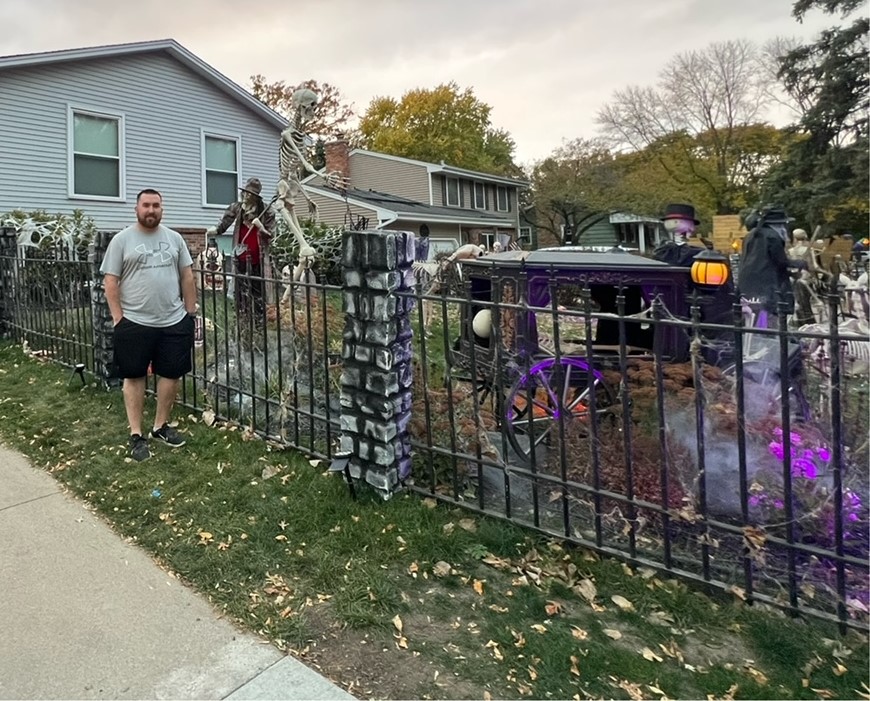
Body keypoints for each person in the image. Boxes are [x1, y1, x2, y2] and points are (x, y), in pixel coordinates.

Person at [101, 188, 197, 462]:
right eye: (146, 205)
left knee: (170, 374)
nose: (151, 210)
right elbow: (111, 282)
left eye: (156, 205)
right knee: (134, 376)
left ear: (162, 209)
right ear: (137, 209)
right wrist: (119, 318)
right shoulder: (122, 240)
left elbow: (187, 277)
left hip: (173, 321)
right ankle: (136, 434)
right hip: (135, 321)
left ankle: (160, 426)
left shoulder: (175, 239)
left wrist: (189, 314)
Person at [207, 177, 276, 323]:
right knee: (240, 291)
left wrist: (260, 227)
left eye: (251, 194)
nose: (247, 196)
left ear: (256, 197)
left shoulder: (266, 211)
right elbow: (225, 221)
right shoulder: (238, 207)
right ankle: (242, 319)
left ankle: (258, 321)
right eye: (245, 193)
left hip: (257, 258)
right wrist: (216, 230)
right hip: (240, 257)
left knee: (257, 292)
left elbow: (271, 235)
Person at [738, 205, 805, 323]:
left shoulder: (751, 235)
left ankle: (758, 333)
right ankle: (764, 335)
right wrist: (799, 263)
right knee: (766, 318)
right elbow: (781, 261)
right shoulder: (772, 236)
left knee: (753, 316)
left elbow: (764, 262)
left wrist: (789, 273)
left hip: (748, 284)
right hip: (766, 286)